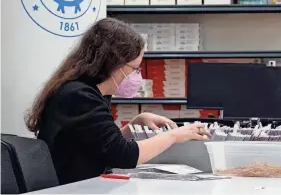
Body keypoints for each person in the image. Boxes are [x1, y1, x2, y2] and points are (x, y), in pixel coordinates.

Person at [25, 18, 209, 185]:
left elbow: (101, 144)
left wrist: (134, 125)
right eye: (134, 68)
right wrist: (173, 136)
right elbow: (123, 156)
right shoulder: (79, 96)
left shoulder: (88, 93)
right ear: (113, 63)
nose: (137, 76)